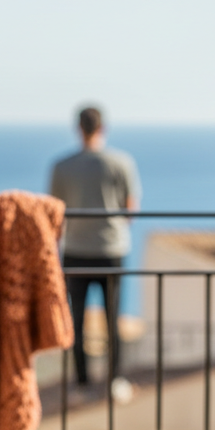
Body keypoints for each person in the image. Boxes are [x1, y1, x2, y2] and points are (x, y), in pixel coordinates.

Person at [49, 106, 141, 402]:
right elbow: (131, 208)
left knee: (75, 320)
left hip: (75, 251)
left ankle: (82, 383)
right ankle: (115, 381)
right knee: (113, 318)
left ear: (79, 128)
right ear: (103, 128)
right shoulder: (121, 162)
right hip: (111, 250)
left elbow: (55, 210)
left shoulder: (62, 166)